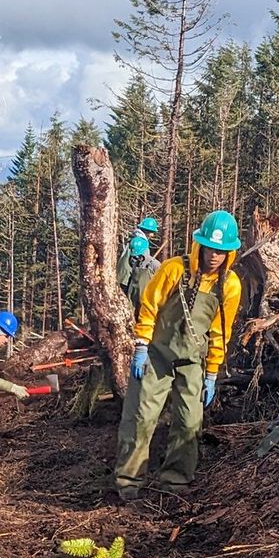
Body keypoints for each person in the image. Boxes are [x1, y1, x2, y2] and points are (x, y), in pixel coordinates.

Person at [112, 210, 243, 501]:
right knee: (141, 417)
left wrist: (211, 373)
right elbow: (149, 305)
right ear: (200, 244)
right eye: (210, 248)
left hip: (193, 361)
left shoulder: (230, 285)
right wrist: (142, 345)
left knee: (189, 421)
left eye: (221, 252)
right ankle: (128, 482)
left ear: (229, 253)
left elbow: (222, 331)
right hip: (156, 356)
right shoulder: (174, 269)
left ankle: (175, 483)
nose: (214, 257)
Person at [116, 216, 164, 291]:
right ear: (147, 231)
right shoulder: (140, 242)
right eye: (152, 232)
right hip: (127, 278)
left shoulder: (136, 238)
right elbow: (138, 260)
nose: (153, 235)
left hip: (124, 276)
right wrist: (158, 266)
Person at [122, 233, 159, 304]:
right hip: (133, 300)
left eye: (137, 256)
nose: (134, 259)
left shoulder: (154, 264)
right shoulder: (134, 263)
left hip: (147, 302)